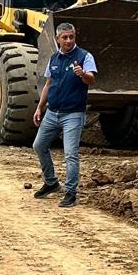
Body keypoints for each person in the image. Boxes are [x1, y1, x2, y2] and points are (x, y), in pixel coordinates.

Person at [31, 22, 97, 208]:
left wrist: (82, 74)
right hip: (52, 112)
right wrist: (40, 108)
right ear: (57, 39)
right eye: (65, 37)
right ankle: (51, 182)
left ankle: (70, 193)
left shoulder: (84, 56)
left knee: (70, 154)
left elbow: (91, 79)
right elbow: (48, 84)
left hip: (73, 114)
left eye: (71, 37)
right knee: (39, 145)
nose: (68, 41)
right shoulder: (54, 58)